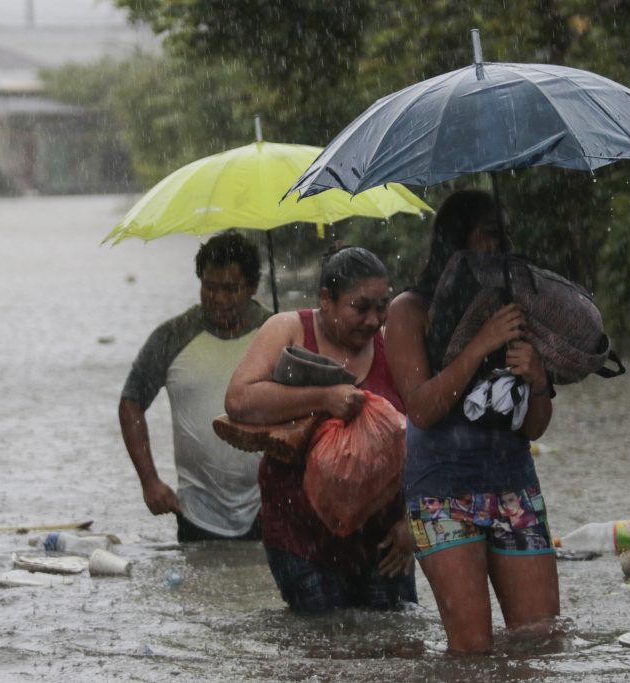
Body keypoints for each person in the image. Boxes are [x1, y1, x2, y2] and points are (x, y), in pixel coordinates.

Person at [385, 189, 559, 653]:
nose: (502, 247)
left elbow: (534, 427)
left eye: (507, 235)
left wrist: (539, 380)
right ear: (456, 243)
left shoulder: (518, 312)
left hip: (513, 488)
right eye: (489, 235)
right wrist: (480, 344)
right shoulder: (410, 311)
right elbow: (420, 408)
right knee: (472, 652)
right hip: (443, 495)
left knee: (540, 643)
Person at [225, 246, 416, 613]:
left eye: (382, 306)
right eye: (360, 308)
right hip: (299, 534)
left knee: (396, 651)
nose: (373, 320)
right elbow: (238, 399)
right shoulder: (289, 329)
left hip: (384, 539)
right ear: (325, 299)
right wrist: (324, 398)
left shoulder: (393, 342)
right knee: (321, 650)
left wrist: (412, 522)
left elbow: (423, 432)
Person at [119, 230, 272, 542]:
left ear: (254, 286)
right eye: (209, 287)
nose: (218, 299)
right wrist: (150, 482)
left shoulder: (277, 333)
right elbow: (131, 403)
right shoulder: (172, 337)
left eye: (231, 289)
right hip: (197, 513)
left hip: (270, 507)